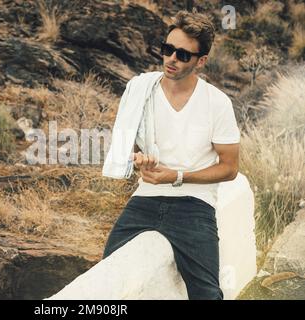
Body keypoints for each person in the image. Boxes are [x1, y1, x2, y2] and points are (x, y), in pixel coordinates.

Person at [102, 10, 241, 300]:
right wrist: (139, 159)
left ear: (201, 61)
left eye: (182, 55)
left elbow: (229, 168)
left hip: (194, 204)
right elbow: (130, 147)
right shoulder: (142, 90)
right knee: (108, 276)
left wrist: (177, 176)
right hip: (145, 198)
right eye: (167, 49)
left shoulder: (217, 103)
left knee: (207, 293)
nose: (171, 59)